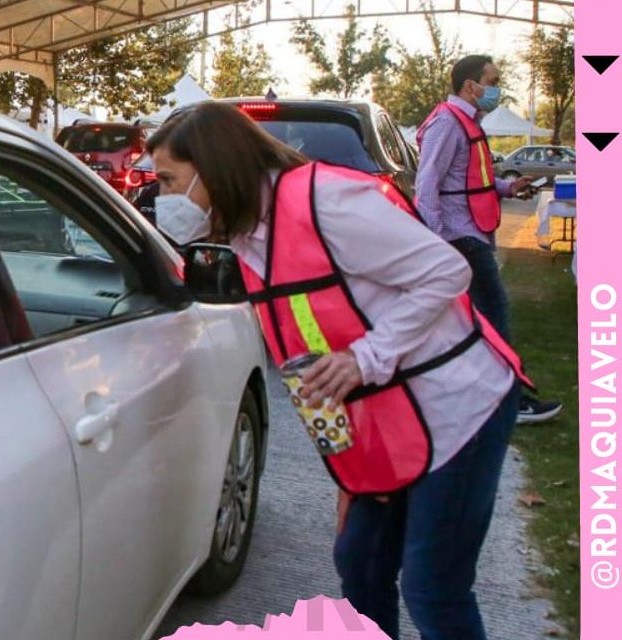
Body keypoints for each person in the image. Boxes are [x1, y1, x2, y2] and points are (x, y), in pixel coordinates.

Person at [146, 102, 532, 640]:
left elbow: (446, 270)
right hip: (388, 418)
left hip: (458, 407)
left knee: (431, 585)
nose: (162, 197)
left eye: (169, 180)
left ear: (214, 167)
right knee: (361, 564)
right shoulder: (249, 231)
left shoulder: (327, 201)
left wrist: (365, 358)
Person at [416, 54, 562, 425]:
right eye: (492, 80)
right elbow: (428, 184)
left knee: (476, 320)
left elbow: (468, 179)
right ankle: (509, 404)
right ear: (471, 85)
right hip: (460, 236)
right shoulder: (447, 125)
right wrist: (436, 240)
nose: (496, 88)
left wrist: (508, 187)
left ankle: (470, 398)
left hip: (471, 231)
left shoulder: (467, 122)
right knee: (494, 314)